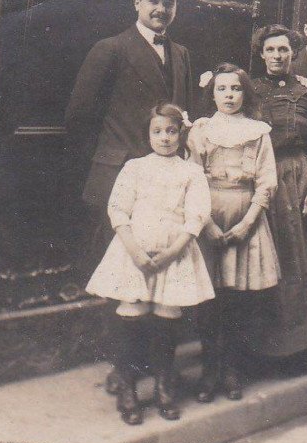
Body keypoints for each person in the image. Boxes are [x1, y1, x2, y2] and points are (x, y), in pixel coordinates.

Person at [66, 0, 196, 393]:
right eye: (154, 0)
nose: (161, 9)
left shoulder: (181, 54)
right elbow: (79, 117)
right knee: (125, 278)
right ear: (137, 2)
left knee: (163, 279)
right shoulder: (111, 49)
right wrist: (113, 159)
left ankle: (158, 371)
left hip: (168, 189)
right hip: (122, 183)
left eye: (169, 3)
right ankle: (124, 370)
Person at [86, 104, 214, 425]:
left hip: (174, 251)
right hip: (135, 252)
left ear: (180, 133)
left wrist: (173, 252)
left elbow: (196, 215)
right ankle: (129, 388)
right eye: (157, 131)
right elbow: (118, 210)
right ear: (148, 134)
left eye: (171, 131)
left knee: (166, 318)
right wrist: (135, 252)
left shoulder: (191, 172)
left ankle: (164, 386)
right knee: (132, 314)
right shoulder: (135, 168)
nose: (165, 138)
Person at [188, 64, 280, 401]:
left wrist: (247, 223)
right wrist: (207, 225)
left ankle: (231, 368)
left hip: (246, 216)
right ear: (211, 94)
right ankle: (209, 370)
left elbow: (267, 181)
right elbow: (192, 180)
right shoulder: (200, 131)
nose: (229, 95)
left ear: (245, 93)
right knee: (209, 300)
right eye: (222, 89)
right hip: (208, 216)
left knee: (238, 300)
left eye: (236, 89)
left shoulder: (258, 132)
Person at [250, 24, 307, 373]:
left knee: (299, 262)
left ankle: (297, 349)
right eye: (270, 50)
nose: (277, 56)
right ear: (262, 54)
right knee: (266, 261)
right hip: (262, 178)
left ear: (293, 53)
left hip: (298, 177)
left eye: (283, 50)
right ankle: (261, 351)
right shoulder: (250, 90)